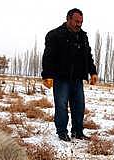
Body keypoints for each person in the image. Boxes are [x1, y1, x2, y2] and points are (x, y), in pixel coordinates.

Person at [41, 8, 98, 142]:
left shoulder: (83, 36)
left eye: (81, 22)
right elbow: (48, 57)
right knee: (61, 105)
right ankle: (62, 132)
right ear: (68, 19)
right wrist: (47, 75)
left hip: (77, 78)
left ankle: (78, 132)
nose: (79, 24)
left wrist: (93, 71)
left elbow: (88, 56)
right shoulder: (54, 35)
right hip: (61, 78)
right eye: (76, 21)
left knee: (79, 106)